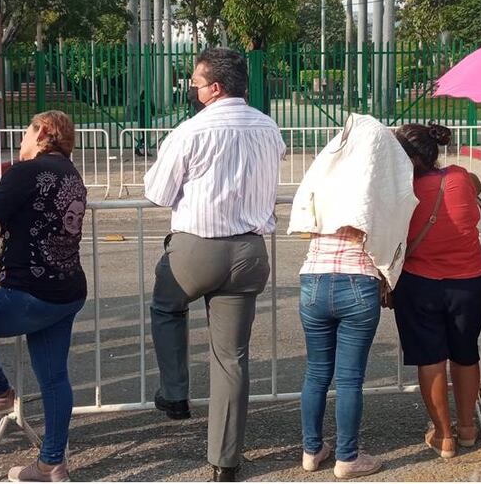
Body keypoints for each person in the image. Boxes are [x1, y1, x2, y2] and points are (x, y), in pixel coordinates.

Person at [143, 47, 285, 483]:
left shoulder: (191, 130)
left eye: (196, 82)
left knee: (167, 307)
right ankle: (225, 460)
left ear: (215, 89)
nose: (192, 87)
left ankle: (174, 393)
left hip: (196, 248)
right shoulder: (269, 127)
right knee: (231, 358)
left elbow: (158, 192)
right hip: (249, 252)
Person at [0, 111, 87, 483]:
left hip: (30, 289)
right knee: (54, 378)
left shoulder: (26, 172)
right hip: (67, 288)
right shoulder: (71, 174)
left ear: (43, 132)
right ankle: (51, 464)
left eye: (27, 131)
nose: (22, 140)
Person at [287, 114, 417, 479]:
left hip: (313, 279)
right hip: (356, 283)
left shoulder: (325, 172)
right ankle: (347, 457)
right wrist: (389, 276)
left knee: (315, 373)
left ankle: (312, 450)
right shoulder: (374, 182)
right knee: (348, 379)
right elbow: (390, 228)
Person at [393, 123, 481, 459]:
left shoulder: (401, 189)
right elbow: (475, 188)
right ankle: (467, 428)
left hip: (419, 281)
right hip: (468, 281)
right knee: (465, 354)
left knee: (430, 358)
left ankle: (443, 435)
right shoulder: (461, 176)